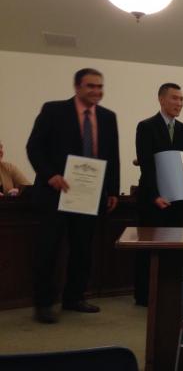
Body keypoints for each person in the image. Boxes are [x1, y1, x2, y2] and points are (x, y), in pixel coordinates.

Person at [25, 67, 120, 324]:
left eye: (100, 87)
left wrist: (112, 189)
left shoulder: (108, 117)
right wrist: (49, 175)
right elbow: (34, 147)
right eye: (91, 86)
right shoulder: (53, 110)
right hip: (55, 193)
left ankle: (74, 297)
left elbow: (112, 156)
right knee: (49, 250)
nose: (96, 91)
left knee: (82, 249)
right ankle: (44, 303)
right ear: (77, 87)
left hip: (89, 195)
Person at [134, 83, 183, 306]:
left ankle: (168, 293)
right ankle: (144, 295)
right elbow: (146, 165)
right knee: (148, 249)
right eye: (174, 98)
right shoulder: (146, 126)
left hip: (176, 201)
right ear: (161, 100)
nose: (179, 103)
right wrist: (154, 196)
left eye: (181, 99)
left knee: (172, 250)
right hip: (152, 200)